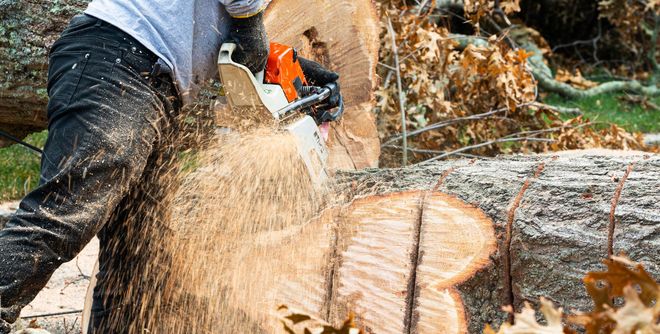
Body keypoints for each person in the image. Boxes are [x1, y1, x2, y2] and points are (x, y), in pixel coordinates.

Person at [0, 1, 342, 333]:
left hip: (152, 81)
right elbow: (242, 19)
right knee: (62, 220)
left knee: (139, 259)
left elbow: (215, 32)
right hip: (120, 61)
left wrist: (287, 73)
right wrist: (251, 24)